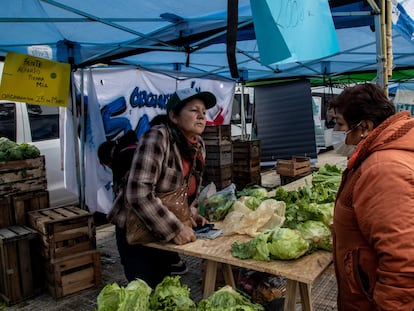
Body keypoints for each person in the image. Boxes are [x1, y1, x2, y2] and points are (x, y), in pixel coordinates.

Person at [329, 83, 414, 310]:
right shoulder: (380, 156)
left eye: (339, 124)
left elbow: (403, 263)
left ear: (364, 127)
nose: (335, 132)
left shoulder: (383, 169)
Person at [122, 88, 213, 287]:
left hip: (162, 230)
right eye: (194, 110)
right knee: (143, 290)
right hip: (139, 229)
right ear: (173, 116)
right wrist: (176, 228)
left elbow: (188, 191)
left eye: (204, 112)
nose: (201, 116)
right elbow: (138, 194)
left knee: (163, 287)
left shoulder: (198, 145)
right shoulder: (157, 138)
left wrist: (189, 214)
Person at [98, 129, 188, 285]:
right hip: (149, 228)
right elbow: (141, 195)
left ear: (107, 159)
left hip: (143, 229)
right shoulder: (138, 152)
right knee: (156, 282)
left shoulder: (124, 157)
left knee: (145, 282)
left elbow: (134, 196)